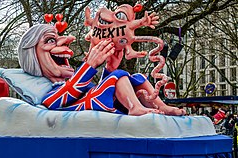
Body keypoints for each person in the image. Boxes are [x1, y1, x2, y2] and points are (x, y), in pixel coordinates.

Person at [18, 24, 185, 116]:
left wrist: (109, 68)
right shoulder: (50, 92)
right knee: (117, 76)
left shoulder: (76, 81)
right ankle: (134, 107)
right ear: (32, 53)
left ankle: (161, 106)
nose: (66, 41)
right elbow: (54, 102)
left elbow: (98, 89)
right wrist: (89, 66)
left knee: (137, 76)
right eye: (50, 40)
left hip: (101, 102)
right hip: (89, 106)